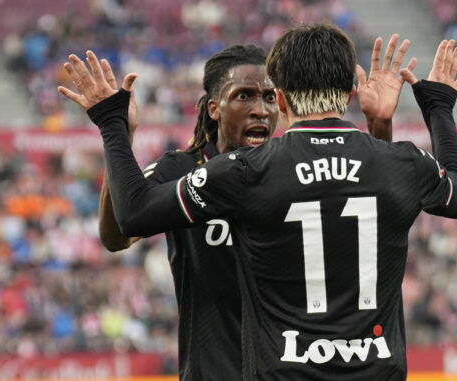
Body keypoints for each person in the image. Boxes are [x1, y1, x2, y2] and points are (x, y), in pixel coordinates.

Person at [60, 34, 414, 380]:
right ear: (214, 107)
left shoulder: (290, 172)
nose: (259, 110)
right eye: (244, 96)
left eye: (267, 97)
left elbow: (369, 206)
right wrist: (121, 134)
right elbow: (117, 233)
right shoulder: (181, 170)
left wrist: (379, 126)